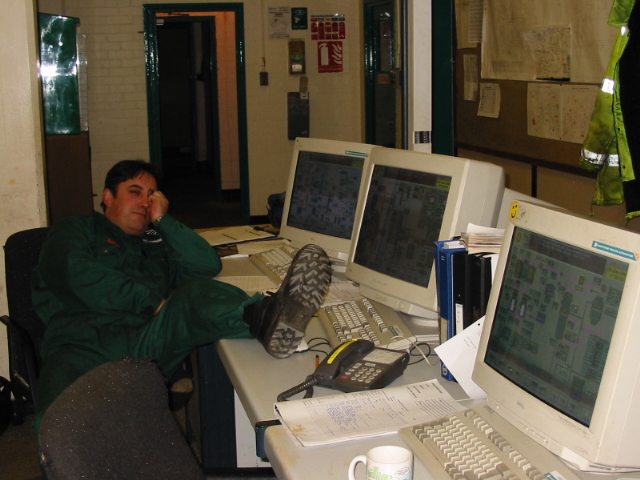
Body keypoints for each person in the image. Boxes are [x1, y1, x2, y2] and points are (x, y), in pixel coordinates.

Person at [31, 160, 331, 433]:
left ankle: (266, 318)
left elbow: (206, 264)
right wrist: (151, 302)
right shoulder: (76, 229)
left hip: (147, 344)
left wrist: (163, 221)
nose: (144, 202)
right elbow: (76, 272)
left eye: (151, 195)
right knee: (56, 424)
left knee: (194, 294)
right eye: (135, 192)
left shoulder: (153, 246)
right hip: (80, 346)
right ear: (108, 197)